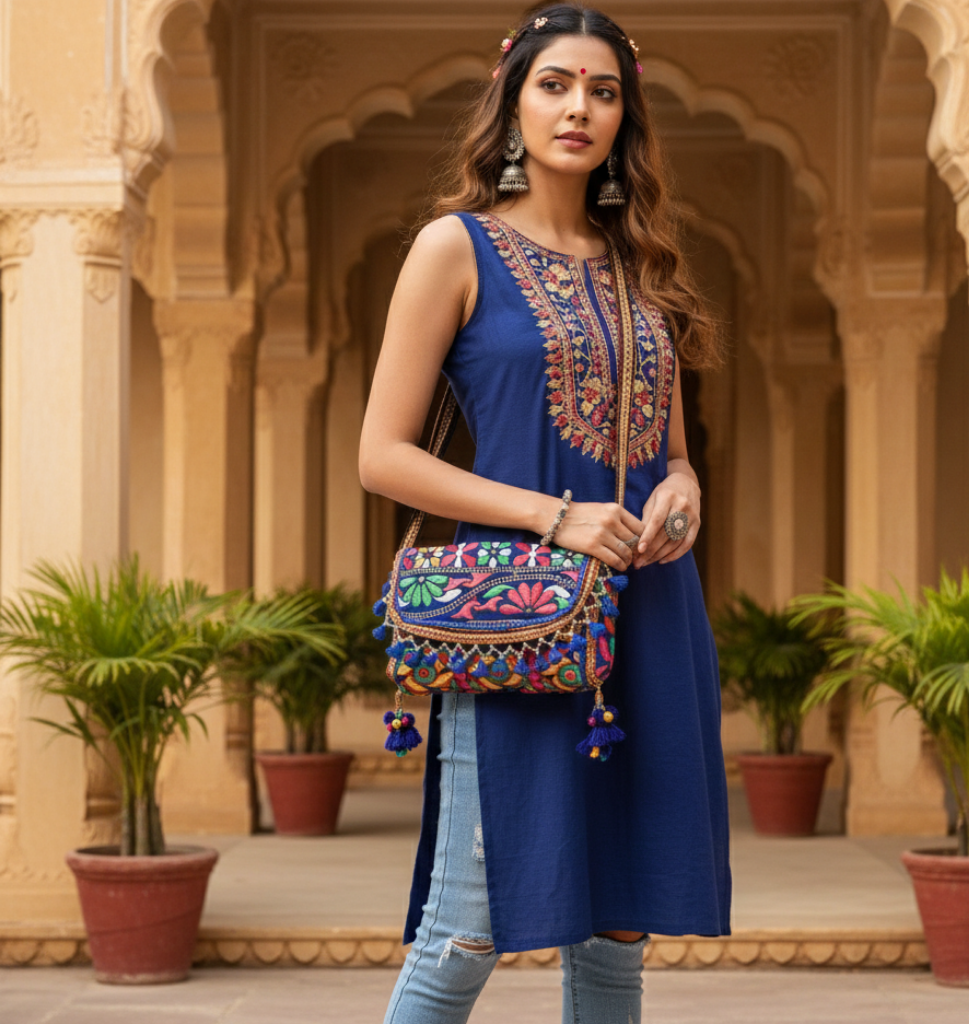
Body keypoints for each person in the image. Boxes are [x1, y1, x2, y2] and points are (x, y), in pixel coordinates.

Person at [359, 4, 731, 1021]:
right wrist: (551, 515)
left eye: (602, 91)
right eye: (555, 84)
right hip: (521, 616)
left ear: (625, 117)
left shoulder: (644, 267)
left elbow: (672, 452)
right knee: (467, 923)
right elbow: (380, 455)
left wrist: (682, 490)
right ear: (512, 99)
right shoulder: (456, 247)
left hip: (649, 615)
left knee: (620, 927)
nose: (578, 108)